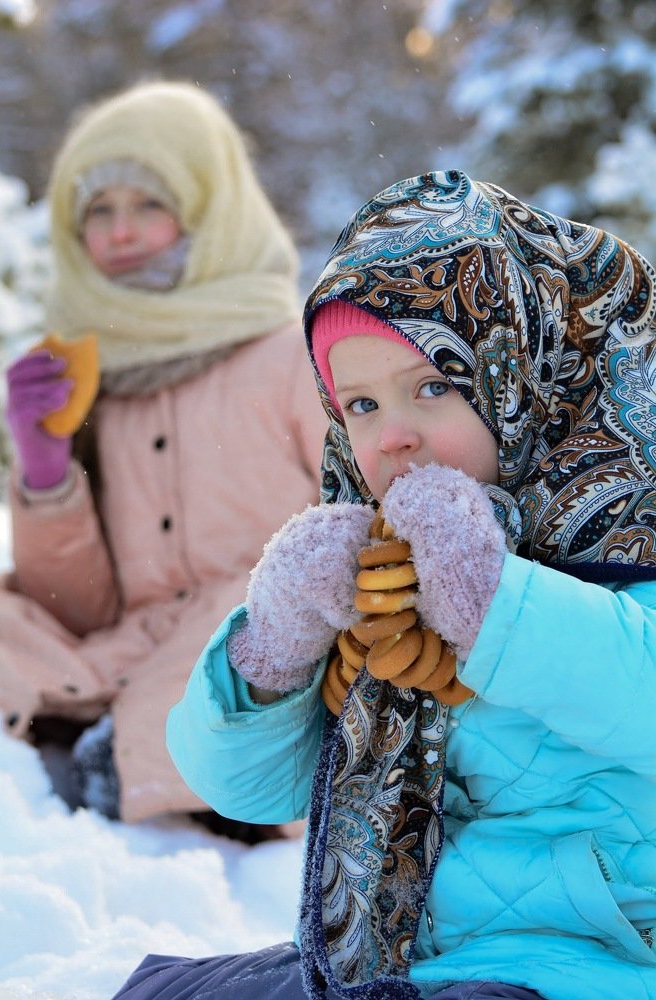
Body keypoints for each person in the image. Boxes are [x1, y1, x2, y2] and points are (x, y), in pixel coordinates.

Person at [110, 170, 656, 999]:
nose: (393, 436)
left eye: (435, 386)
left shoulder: (632, 531)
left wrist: (492, 603)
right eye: (359, 405)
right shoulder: (377, 569)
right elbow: (245, 789)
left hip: (587, 964)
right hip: (401, 960)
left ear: (530, 378)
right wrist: (280, 640)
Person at [0, 79, 328, 829]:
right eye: (98, 212)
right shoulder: (93, 372)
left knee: (238, 646)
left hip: (268, 627)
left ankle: (136, 763)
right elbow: (81, 608)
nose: (120, 232)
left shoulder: (293, 355)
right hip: (134, 638)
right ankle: (114, 744)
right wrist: (46, 467)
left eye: (149, 203)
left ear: (211, 209)